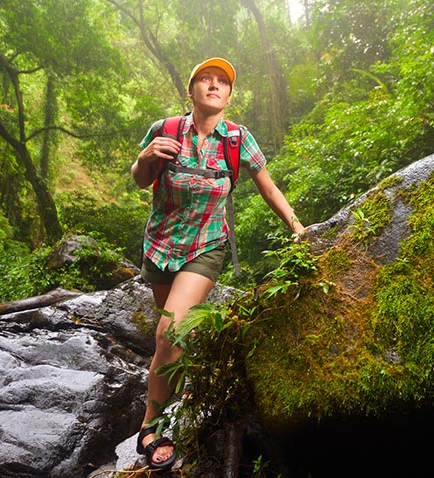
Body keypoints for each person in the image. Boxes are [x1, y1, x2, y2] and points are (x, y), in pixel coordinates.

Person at [130, 57, 306, 469]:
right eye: (205, 79)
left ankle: (151, 425)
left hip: (207, 246)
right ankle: (183, 387)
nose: (214, 85)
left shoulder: (237, 139)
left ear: (228, 95)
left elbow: (267, 186)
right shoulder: (165, 130)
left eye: (222, 81)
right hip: (160, 247)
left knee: (169, 333)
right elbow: (140, 179)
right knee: (173, 336)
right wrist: (147, 156)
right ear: (190, 91)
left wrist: (297, 225)